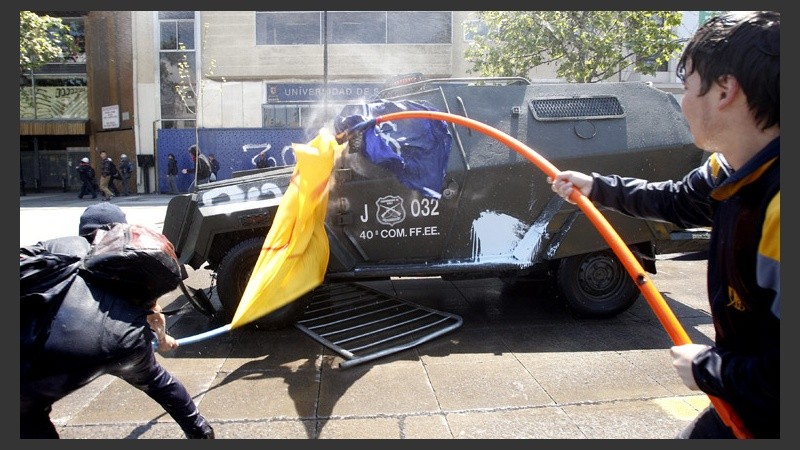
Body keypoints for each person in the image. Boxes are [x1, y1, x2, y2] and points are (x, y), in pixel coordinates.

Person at [548, 11, 779, 439]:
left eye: (687, 85)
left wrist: (710, 369)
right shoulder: (729, 170)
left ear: (725, 90)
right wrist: (596, 186)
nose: (682, 101)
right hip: (745, 401)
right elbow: (675, 199)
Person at [20, 203, 215, 439]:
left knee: (27, 410)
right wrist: (163, 339)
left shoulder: (57, 246)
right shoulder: (126, 258)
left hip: (51, 349)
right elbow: (154, 312)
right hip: (123, 341)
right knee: (159, 382)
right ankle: (202, 432)